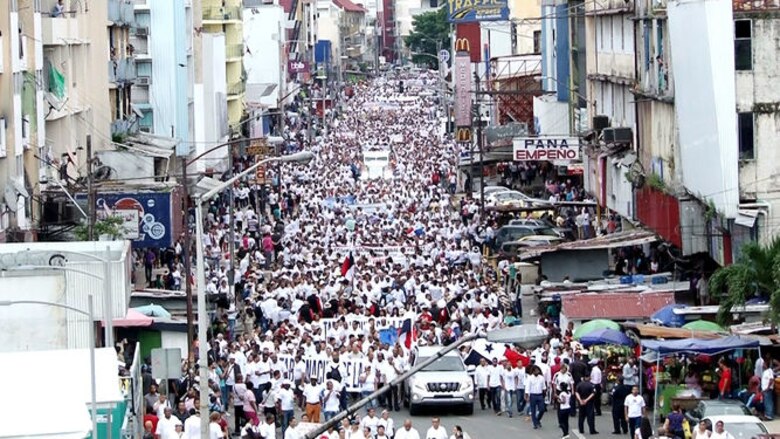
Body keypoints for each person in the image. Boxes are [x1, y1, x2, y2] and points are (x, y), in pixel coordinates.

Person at [525, 365, 547, 429]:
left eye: (538, 370)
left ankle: (538, 419)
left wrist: (545, 395)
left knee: (542, 409)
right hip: (533, 395)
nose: (537, 372)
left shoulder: (541, 378)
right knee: (533, 411)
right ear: (533, 371)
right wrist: (527, 396)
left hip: (540, 395)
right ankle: (535, 424)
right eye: (536, 371)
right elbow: (527, 388)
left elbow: (544, 388)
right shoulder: (530, 378)